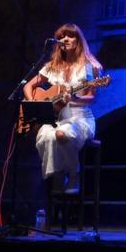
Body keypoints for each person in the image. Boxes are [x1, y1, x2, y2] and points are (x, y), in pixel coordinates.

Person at [23, 23, 102, 197]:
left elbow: (91, 97)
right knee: (46, 135)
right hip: (56, 118)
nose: (65, 39)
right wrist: (35, 103)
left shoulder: (89, 66)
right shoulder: (51, 67)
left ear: (78, 40)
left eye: (70, 36)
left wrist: (75, 98)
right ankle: (57, 176)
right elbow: (28, 86)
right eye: (61, 36)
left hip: (80, 118)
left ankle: (74, 174)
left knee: (61, 134)